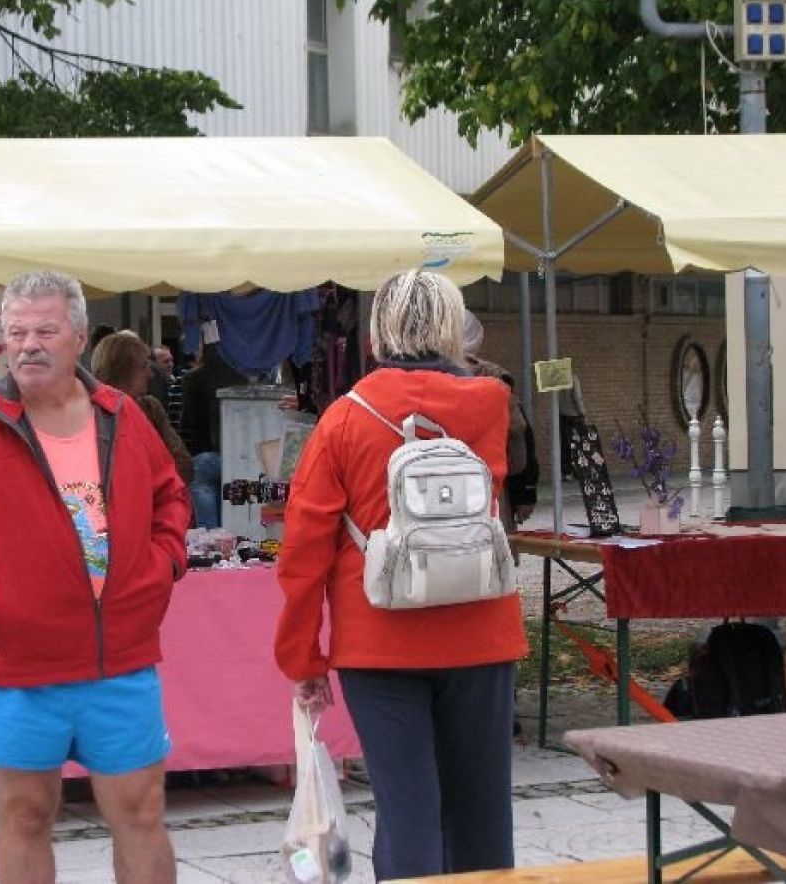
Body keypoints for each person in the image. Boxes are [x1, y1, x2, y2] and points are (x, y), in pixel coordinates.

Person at [0, 271, 190, 884]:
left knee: (141, 811)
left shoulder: (122, 416)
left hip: (120, 660)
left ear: (79, 337)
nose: (28, 345)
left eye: (45, 331)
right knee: (25, 815)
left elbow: (170, 496)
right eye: (17, 332)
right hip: (16, 668)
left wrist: (162, 564)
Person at [274, 269, 526, 880]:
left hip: (378, 637)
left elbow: (304, 551)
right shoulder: (491, 404)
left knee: (408, 810)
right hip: (480, 630)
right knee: (482, 812)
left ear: (376, 333)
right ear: (452, 326)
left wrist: (304, 657)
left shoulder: (344, 419)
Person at [462, 311, 538, 535]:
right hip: (491, 487)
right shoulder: (495, 379)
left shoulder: (416, 377)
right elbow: (519, 440)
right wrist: (524, 491)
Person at [91, 331, 194, 487]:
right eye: (144, 366)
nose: (151, 374)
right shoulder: (88, 413)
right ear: (123, 370)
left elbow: (184, 464)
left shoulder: (150, 407)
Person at [178, 343, 246, 527]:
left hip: (206, 454)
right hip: (240, 457)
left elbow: (189, 423)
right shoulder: (242, 377)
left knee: (201, 472)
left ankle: (210, 534)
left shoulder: (193, 378)